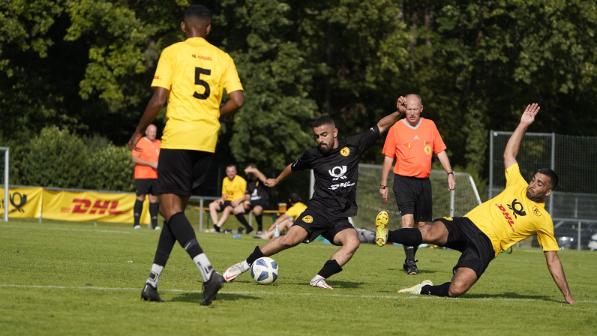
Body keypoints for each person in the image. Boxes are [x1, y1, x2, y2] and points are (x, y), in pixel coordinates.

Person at [375, 103, 575, 304]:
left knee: (457, 289)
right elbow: (509, 155)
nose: (532, 184)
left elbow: (553, 259)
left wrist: (567, 295)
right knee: (429, 232)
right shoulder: (518, 183)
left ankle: (424, 289)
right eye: (533, 179)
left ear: (548, 192)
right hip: (467, 225)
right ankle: (386, 234)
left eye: (539, 184)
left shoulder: (543, 220)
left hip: (485, 246)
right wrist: (523, 124)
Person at [127, 4, 244, 306]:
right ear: (209, 28)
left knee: (170, 209)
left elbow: (159, 98)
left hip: (179, 136)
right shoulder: (223, 57)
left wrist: (139, 130)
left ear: (183, 27)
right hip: (206, 141)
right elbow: (238, 99)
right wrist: (215, 115)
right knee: (173, 212)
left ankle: (208, 272)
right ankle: (151, 283)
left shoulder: (173, 52)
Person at [223, 99, 406, 289]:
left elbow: (381, 126)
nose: (320, 140)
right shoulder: (313, 155)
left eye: (324, 135)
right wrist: (277, 180)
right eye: (317, 136)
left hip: (339, 216)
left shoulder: (353, 146)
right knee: (289, 239)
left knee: (352, 242)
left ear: (335, 133)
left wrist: (398, 112)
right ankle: (244, 264)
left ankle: (318, 278)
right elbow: (292, 167)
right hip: (318, 210)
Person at [378, 94, 455, 275]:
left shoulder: (430, 126)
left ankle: (408, 259)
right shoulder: (396, 128)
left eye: (415, 109)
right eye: (408, 109)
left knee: (423, 227)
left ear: (421, 108)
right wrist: (383, 184)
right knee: (407, 220)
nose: (411, 113)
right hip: (403, 180)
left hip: (423, 182)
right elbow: (389, 158)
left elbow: (441, 152)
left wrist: (450, 173)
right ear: (405, 109)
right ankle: (412, 262)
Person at [131, 124, 161, 230]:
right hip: (142, 176)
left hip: (156, 176)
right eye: (151, 131)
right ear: (146, 132)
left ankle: (155, 224)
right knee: (141, 197)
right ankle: (136, 223)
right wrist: (151, 164)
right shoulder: (140, 142)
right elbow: (134, 158)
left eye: (155, 131)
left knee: (154, 199)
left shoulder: (159, 143)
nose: (153, 133)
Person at [208, 164, 251, 233]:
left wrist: (238, 200)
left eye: (232, 171)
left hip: (237, 203)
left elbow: (247, 196)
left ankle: (216, 228)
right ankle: (216, 226)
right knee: (212, 205)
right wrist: (221, 199)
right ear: (226, 172)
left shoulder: (241, 181)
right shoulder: (225, 180)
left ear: (236, 172)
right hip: (227, 201)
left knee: (227, 209)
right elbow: (224, 194)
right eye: (228, 171)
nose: (230, 173)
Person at [243, 164, 271, 235]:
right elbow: (247, 194)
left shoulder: (260, 179)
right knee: (236, 210)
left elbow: (265, 180)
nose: (248, 173)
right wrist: (246, 201)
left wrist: (252, 170)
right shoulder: (248, 181)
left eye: (250, 171)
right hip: (252, 203)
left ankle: (260, 229)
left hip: (262, 202)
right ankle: (248, 227)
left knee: (256, 210)